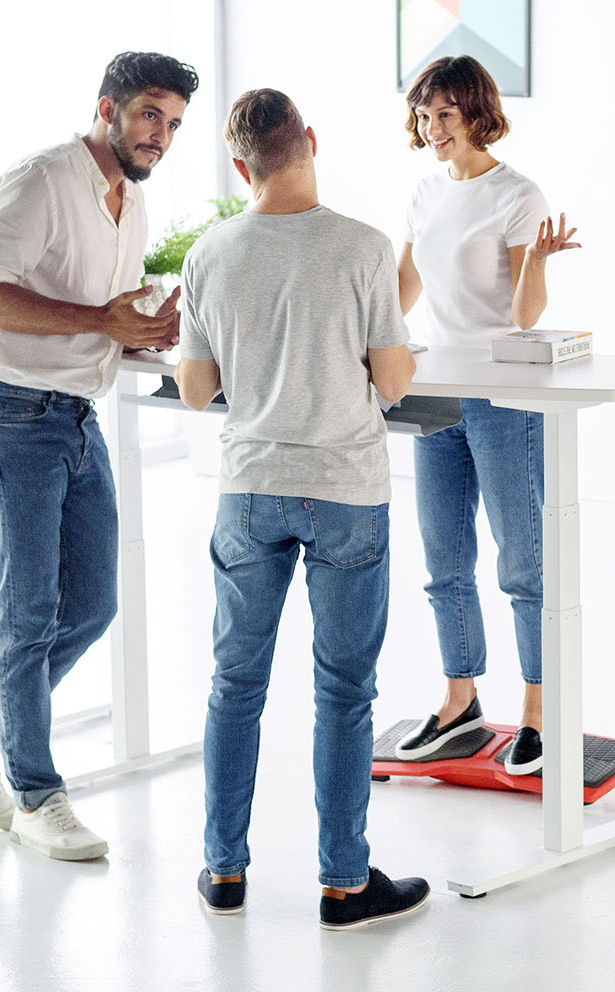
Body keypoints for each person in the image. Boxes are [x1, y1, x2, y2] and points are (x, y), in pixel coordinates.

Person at [0, 51, 197, 861]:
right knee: (27, 611)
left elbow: (100, 306)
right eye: (150, 114)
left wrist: (144, 321)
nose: (161, 135)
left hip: (75, 415)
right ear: (106, 106)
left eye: (174, 123)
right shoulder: (40, 178)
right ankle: (38, 798)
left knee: (90, 606)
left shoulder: (130, 204)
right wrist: (100, 320)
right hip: (7, 411)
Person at [176, 88, 431, 929]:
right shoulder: (362, 248)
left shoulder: (210, 253)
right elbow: (393, 383)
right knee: (343, 692)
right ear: (311, 141)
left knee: (234, 685)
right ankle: (343, 883)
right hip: (346, 492)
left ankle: (223, 873)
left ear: (239, 165)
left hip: (249, 489)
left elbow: (196, 390)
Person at [391, 55, 580, 775]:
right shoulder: (423, 195)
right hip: (436, 393)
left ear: (476, 113)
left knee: (522, 563)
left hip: (503, 396)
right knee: (444, 561)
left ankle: (539, 708)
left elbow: (524, 314)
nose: (431, 127)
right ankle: (460, 700)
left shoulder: (517, 195)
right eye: (423, 115)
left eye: (444, 114)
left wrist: (541, 261)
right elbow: (403, 294)